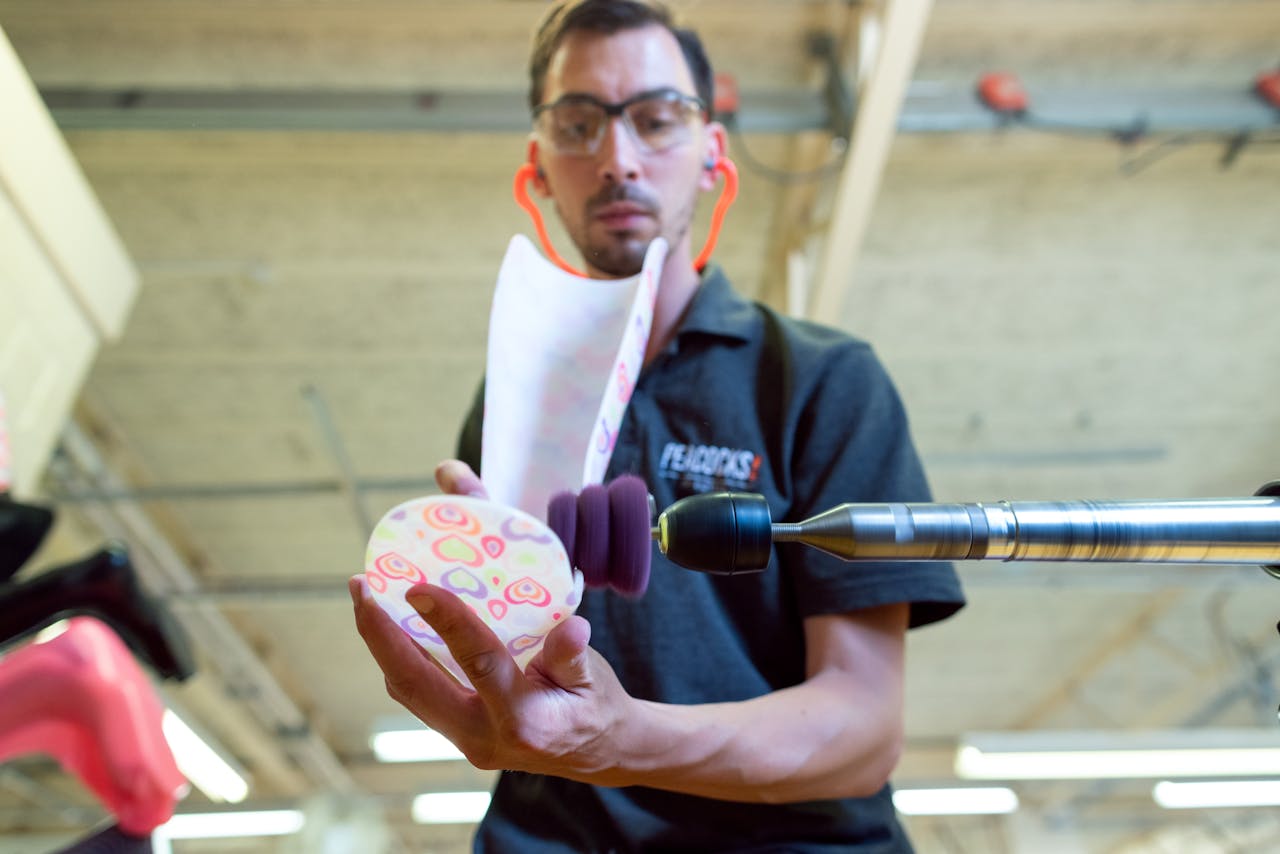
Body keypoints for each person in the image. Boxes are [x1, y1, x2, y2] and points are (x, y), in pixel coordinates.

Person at [350, 1, 965, 850]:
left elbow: (863, 728)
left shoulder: (823, 380)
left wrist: (624, 742)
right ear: (539, 166)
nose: (617, 158)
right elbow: (519, 686)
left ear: (712, 154)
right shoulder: (507, 405)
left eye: (657, 118)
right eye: (578, 125)